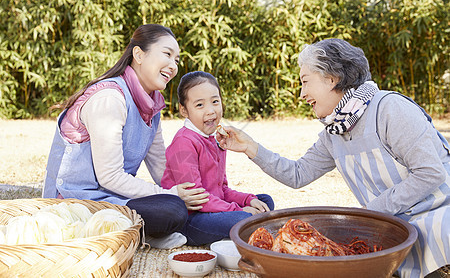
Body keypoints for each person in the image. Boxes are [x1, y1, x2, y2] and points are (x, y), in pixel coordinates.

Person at [216, 39, 449, 278]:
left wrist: (371, 214)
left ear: (331, 78)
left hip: (439, 214)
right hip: (393, 224)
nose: (302, 94)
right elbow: (298, 174)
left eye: (305, 81)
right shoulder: (335, 131)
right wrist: (250, 147)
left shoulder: (390, 109)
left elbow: (431, 172)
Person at [43, 24, 209, 249]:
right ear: (139, 54)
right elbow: (109, 176)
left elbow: (162, 169)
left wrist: (200, 192)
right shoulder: (110, 98)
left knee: (175, 206)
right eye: (167, 54)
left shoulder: (152, 105)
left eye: (177, 60)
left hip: (115, 199)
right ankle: (143, 233)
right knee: (172, 210)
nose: (173, 66)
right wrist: (171, 195)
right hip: (76, 204)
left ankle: (146, 230)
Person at [161, 71, 274, 245]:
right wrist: (239, 210)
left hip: (214, 208)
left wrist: (248, 200)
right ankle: (242, 227)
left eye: (215, 101)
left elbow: (222, 190)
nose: (211, 111)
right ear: (184, 110)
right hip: (190, 219)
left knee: (264, 201)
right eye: (200, 105)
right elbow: (197, 199)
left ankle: (242, 226)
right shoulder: (184, 142)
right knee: (240, 217)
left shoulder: (216, 138)